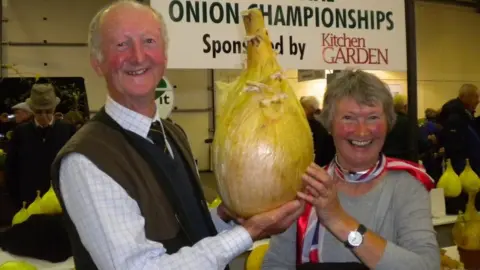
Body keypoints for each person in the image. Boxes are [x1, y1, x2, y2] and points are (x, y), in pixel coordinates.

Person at [50, 2, 303, 270]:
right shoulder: (87, 160)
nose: (138, 56)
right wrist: (247, 233)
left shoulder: (172, 134)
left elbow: (182, 230)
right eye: (121, 45)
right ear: (97, 62)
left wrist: (222, 217)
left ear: (164, 55)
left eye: (149, 41)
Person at [262, 70, 439, 270]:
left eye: (372, 117)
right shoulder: (306, 188)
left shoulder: (407, 186)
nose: (362, 131)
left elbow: (428, 266)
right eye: (348, 118)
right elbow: (275, 264)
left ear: (388, 124)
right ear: (329, 124)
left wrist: (339, 220)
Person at [5, 83, 75, 208]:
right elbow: (11, 169)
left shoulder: (68, 131)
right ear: (32, 110)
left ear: (54, 108)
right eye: (39, 112)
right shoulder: (20, 133)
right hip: (28, 203)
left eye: (48, 111)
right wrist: (17, 201)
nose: (44, 116)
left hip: (61, 202)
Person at [437, 83, 480, 214]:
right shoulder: (456, 117)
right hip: (464, 170)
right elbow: (455, 147)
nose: (478, 100)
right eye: (475, 97)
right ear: (464, 97)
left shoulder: (464, 115)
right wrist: (465, 167)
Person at [300, 96, 335, 166]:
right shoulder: (310, 123)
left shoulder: (316, 126)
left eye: (302, 107)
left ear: (311, 108)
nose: (300, 110)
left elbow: (318, 150)